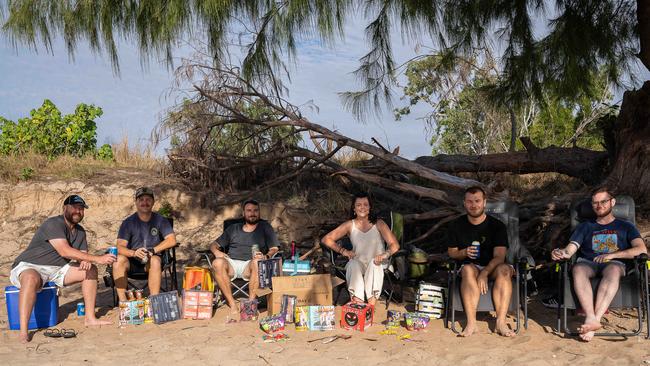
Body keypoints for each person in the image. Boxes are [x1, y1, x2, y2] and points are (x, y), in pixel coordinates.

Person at [10, 195, 116, 343]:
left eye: (81, 209)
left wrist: (85, 260)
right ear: (65, 208)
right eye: (74, 208)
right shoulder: (54, 223)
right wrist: (98, 258)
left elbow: (83, 256)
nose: (78, 211)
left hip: (57, 269)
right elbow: (65, 251)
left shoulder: (80, 231)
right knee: (31, 278)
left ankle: (90, 318)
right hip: (31, 265)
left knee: (90, 270)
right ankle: (23, 331)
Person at [551, 187, 647, 341]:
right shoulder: (585, 226)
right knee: (578, 269)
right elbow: (570, 250)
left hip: (614, 263)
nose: (599, 205)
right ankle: (591, 319)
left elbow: (641, 249)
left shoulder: (626, 226)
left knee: (614, 270)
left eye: (603, 201)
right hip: (588, 263)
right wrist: (560, 252)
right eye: (595, 203)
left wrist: (613, 255)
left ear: (612, 202)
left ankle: (595, 318)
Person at [447, 186, 514, 337]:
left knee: (504, 270)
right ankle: (471, 323)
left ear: (484, 202)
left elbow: (499, 257)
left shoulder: (497, 226)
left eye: (477, 201)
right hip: (471, 267)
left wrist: (484, 272)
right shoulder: (456, 225)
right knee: (467, 270)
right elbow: (452, 252)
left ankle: (500, 323)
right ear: (464, 203)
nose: (473, 205)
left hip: (494, 267)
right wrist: (463, 252)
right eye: (470, 201)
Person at [321, 193, 400, 306]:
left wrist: (385, 255)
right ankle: (358, 303)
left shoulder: (379, 223)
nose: (362, 207)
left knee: (374, 263)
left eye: (365, 205)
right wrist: (343, 251)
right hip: (359, 262)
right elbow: (326, 239)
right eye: (358, 205)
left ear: (370, 208)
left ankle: (371, 306)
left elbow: (395, 245)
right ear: (354, 208)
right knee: (353, 264)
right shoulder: (349, 225)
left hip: (378, 262)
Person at [210, 199, 280, 319]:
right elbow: (213, 245)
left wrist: (266, 256)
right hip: (231, 263)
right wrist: (217, 252)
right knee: (217, 263)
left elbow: (274, 248)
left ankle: (250, 306)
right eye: (249, 210)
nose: (252, 213)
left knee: (258, 263)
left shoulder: (265, 227)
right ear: (243, 213)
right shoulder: (233, 228)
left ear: (259, 213)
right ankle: (232, 304)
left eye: (255, 210)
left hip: (251, 264)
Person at [112, 187, 176, 301]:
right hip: (132, 261)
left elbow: (172, 240)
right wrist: (133, 253)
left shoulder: (161, 220)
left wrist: (153, 250)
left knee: (155, 260)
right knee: (118, 261)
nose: (144, 202)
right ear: (136, 202)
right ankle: (124, 303)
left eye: (148, 199)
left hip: (152, 261)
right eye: (141, 200)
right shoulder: (128, 222)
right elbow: (119, 246)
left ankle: (154, 300)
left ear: (153, 202)